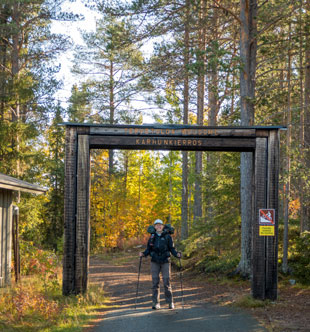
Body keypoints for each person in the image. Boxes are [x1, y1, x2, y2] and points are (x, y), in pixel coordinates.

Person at [139, 219, 181, 310]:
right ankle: (156, 303)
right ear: (154, 227)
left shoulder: (168, 237)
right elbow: (148, 249)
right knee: (155, 282)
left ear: (163, 226)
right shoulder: (152, 237)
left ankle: (170, 302)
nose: (158, 226)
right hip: (154, 261)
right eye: (156, 225)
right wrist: (143, 254)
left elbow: (172, 248)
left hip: (165, 261)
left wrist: (177, 254)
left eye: (160, 225)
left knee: (166, 281)